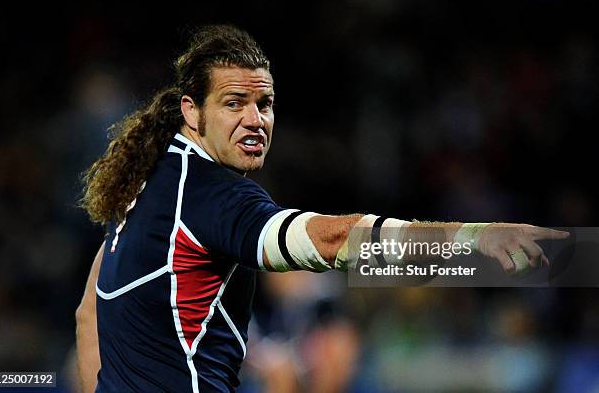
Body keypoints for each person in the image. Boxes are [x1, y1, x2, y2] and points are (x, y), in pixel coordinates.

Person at [75, 24, 569, 392]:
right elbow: (333, 241)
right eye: (233, 103)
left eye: (264, 104)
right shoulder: (212, 194)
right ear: (191, 110)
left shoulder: (150, 180)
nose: (254, 120)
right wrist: (472, 243)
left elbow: (88, 312)